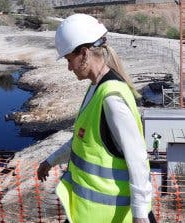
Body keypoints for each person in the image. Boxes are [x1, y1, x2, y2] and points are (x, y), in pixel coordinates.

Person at [37, 14, 155, 223]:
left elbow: (138, 159)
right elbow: (82, 140)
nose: (69, 67)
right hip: (90, 215)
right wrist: (50, 161)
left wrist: (140, 215)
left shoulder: (111, 99)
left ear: (83, 54)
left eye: (69, 59)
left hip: (112, 217)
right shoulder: (96, 88)